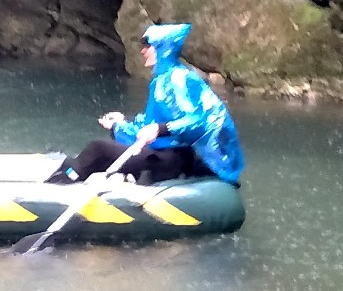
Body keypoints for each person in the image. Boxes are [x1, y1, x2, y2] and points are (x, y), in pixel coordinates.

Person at [49, 22, 244, 186]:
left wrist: (160, 129)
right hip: (163, 152)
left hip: (172, 157)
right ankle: (62, 180)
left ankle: (56, 191)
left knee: (98, 149)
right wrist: (121, 123)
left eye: (147, 46)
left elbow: (198, 121)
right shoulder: (161, 80)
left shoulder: (178, 79)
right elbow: (150, 125)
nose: (142, 51)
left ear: (162, 48)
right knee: (98, 152)